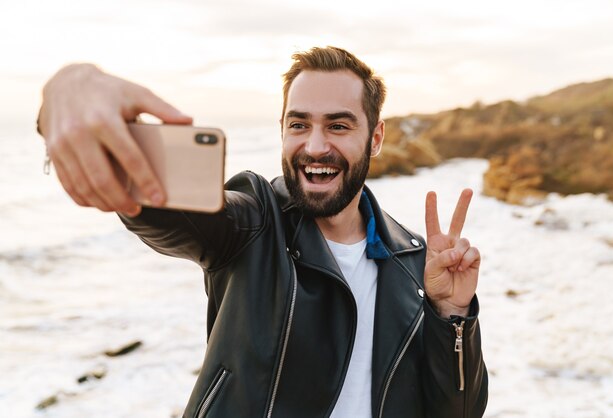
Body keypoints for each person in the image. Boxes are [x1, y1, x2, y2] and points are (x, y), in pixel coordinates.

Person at [37, 46, 488, 417]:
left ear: (375, 137)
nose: (314, 146)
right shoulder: (253, 221)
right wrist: (70, 87)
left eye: (338, 125)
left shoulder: (413, 263)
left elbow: (458, 412)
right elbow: (162, 214)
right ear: (281, 130)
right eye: (299, 124)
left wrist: (452, 314)